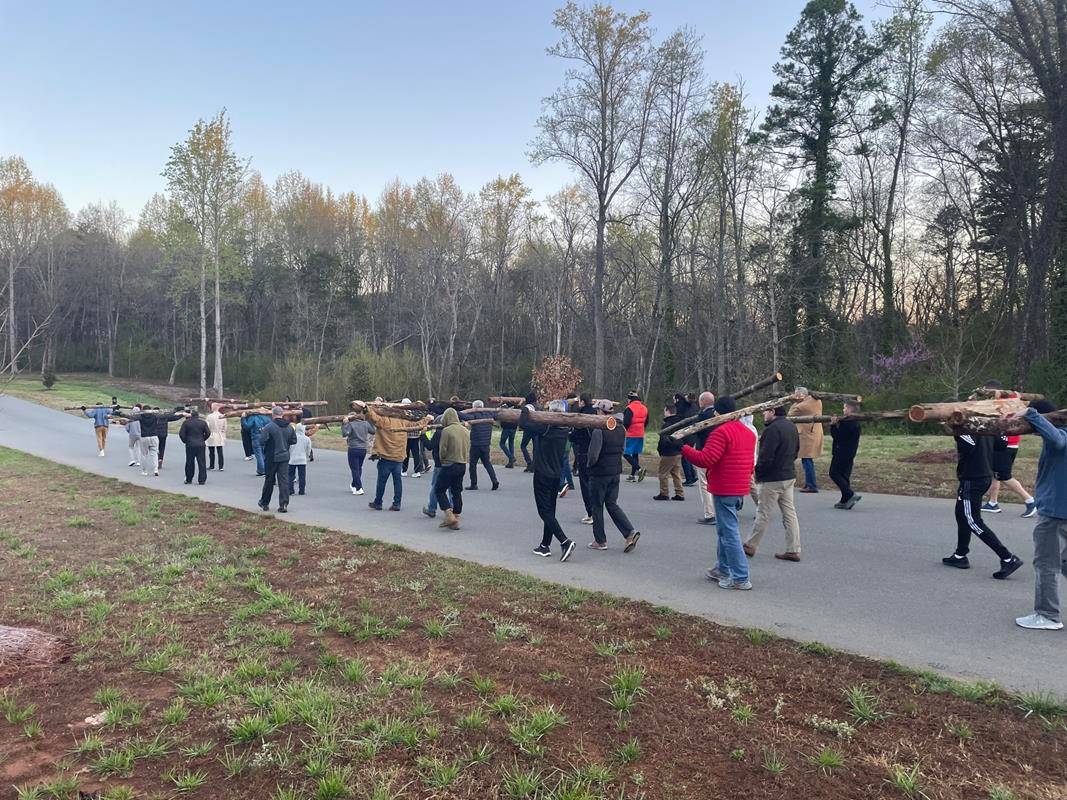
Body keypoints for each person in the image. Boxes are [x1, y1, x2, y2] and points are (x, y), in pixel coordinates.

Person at [682, 396, 756, 590]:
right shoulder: (748, 433)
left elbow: (705, 459)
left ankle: (740, 577)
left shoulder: (720, 432)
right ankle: (722, 569)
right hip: (739, 486)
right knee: (725, 529)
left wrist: (683, 448)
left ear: (717, 412)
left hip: (724, 487)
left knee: (729, 532)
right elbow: (750, 463)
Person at [1010, 399, 1067, 630]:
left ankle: (1047, 615)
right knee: (1064, 563)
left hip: (1055, 512)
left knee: (1046, 563)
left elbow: (1057, 440)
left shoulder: (1059, 435)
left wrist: (1031, 415)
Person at [942, 429, 1024, 579]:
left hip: (973, 478)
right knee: (961, 513)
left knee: (972, 520)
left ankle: (1007, 558)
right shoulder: (986, 426)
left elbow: (969, 445)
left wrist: (957, 430)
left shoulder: (966, 428)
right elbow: (1002, 443)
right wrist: (997, 430)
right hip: (983, 475)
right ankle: (960, 555)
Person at [743, 406, 801, 562]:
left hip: (772, 478)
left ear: (773, 412)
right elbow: (797, 450)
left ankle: (750, 545)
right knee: (789, 513)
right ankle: (794, 548)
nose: (763, 413)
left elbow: (765, 456)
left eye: (766, 411)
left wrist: (759, 473)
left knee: (763, 512)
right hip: (788, 475)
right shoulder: (791, 426)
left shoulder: (772, 430)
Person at [521, 401, 576, 562]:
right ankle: (545, 545)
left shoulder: (546, 428)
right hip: (556, 474)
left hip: (543, 474)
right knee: (550, 511)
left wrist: (527, 408)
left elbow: (523, 423)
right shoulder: (565, 429)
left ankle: (565, 541)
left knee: (544, 511)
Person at [586, 399, 640, 551]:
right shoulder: (621, 428)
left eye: (597, 411)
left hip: (600, 473)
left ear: (601, 412)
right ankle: (629, 532)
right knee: (612, 504)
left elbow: (593, 455)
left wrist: (589, 466)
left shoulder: (599, 430)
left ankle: (600, 540)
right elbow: (622, 449)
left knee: (597, 506)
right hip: (615, 471)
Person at [981, 383, 1037, 517]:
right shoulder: (1006, 401)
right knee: (996, 474)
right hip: (1006, 444)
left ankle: (1030, 501)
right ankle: (993, 503)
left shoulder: (1006, 401)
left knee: (1005, 476)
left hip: (1006, 445)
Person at [366, 403, 428, 511]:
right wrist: (427, 419)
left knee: (381, 481)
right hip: (399, 457)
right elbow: (417, 425)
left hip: (386, 457)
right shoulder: (404, 422)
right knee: (397, 481)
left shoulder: (384, 421)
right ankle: (397, 504)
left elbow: (372, 416)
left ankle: (378, 502)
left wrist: (367, 408)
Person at [684, 391, 717, 525]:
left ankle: (709, 513)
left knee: (704, 483)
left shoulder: (702, 416)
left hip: (704, 451)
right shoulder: (719, 414)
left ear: (703, 401)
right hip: (718, 452)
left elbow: (696, 432)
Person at [435, 407, 470, 529]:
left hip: (449, 464)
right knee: (456, 491)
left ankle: (449, 515)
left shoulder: (447, 430)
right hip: (462, 464)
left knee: (439, 489)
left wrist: (443, 460)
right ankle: (456, 517)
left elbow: (442, 449)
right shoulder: (465, 430)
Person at [258, 406, 297, 513]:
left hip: (272, 456)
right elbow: (294, 440)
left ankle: (265, 503)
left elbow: (262, 441)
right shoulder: (289, 427)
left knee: (269, 480)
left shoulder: (269, 427)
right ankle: (284, 504)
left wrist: (262, 433)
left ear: (273, 414)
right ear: (282, 414)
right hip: (284, 456)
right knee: (283, 481)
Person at [788, 388, 823, 492]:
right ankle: (809, 483)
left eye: (796, 395)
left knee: (806, 459)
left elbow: (790, 414)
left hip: (807, 435)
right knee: (807, 459)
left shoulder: (801, 406)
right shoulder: (817, 401)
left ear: (802, 395)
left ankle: (811, 485)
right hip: (815, 432)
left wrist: (795, 403)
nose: (795, 397)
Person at [829, 401, 862, 509]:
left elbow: (837, 436)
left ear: (849, 410)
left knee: (834, 473)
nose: (843, 410)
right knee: (844, 475)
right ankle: (845, 500)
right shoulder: (856, 422)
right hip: (851, 452)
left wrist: (833, 425)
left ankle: (850, 494)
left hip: (841, 452)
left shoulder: (848, 423)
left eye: (844, 408)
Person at [569, 394, 596, 524]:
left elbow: (576, 435)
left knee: (585, 484)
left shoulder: (582, 416)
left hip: (584, 451)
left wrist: (570, 435)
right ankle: (596, 510)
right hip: (595, 452)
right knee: (593, 483)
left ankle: (590, 513)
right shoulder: (595, 413)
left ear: (583, 402)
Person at [464, 400, 499, 491]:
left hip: (476, 444)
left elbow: (464, 416)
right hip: (486, 444)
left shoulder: (474, 415)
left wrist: (456, 412)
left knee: (473, 465)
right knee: (487, 463)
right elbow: (498, 414)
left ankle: (474, 484)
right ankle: (494, 480)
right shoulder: (490, 414)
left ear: (474, 407)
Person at [654, 402, 685, 501]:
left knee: (663, 474)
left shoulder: (667, 425)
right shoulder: (680, 423)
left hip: (668, 453)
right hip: (678, 451)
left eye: (665, 411)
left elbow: (663, 440)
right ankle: (679, 493)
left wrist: (660, 450)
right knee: (676, 473)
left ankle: (664, 493)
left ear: (668, 411)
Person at [341, 410, 374, 495]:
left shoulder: (351, 424)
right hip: (363, 449)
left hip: (353, 448)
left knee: (354, 469)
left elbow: (345, 434)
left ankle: (359, 488)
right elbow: (373, 431)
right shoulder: (365, 423)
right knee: (359, 468)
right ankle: (354, 484)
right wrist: (369, 421)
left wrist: (344, 424)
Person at [178, 409, 210, 486]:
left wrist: (185, 441)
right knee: (202, 462)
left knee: (189, 462)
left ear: (191, 415)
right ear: (198, 415)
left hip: (190, 444)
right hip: (200, 444)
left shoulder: (186, 423)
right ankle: (202, 480)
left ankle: (189, 479)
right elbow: (208, 433)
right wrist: (203, 439)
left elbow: (181, 434)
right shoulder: (203, 423)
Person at [622, 391, 648, 482]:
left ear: (630, 399)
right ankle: (632, 475)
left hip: (631, 434)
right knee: (635, 454)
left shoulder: (629, 408)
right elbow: (646, 421)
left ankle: (639, 469)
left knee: (625, 453)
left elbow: (626, 422)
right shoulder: (644, 408)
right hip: (640, 434)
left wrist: (624, 430)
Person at [675, 393, 699, 486]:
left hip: (686, 434)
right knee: (688, 456)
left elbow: (679, 419)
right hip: (693, 434)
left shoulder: (682, 406)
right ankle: (693, 475)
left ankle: (689, 478)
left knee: (685, 457)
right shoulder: (694, 406)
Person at [156, 406, 188, 470]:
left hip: (156, 435)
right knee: (162, 447)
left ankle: (156, 460)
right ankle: (160, 459)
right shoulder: (166, 417)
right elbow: (174, 417)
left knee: (156, 448)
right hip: (163, 434)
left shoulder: (154, 417)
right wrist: (182, 415)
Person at [400, 398, 425, 478]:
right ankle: (417, 471)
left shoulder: (404, 413)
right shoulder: (416, 413)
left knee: (406, 454)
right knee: (416, 454)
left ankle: (404, 470)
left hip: (407, 436)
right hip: (416, 435)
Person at [288, 423, 313, 496]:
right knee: (302, 475)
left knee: (290, 475)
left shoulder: (292, 437)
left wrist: (289, 455)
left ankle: (290, 490)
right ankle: (301, 490)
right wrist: (307, 455)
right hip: (302, 459)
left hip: (292, 459)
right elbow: (309, 449)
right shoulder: (307, 439)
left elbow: (288, 447)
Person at [243, 410, 271, 476]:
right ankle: (262, 469)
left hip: (256, 436)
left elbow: (247, 426)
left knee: (259, 454)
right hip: (265, 436)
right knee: (264, 453)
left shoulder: (253, 417)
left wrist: (243, 418)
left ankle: (262, 470)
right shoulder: (267, 417)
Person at [135, 407, 161, 477]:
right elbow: (166, 415)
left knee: (144, 455)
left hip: (144, 436)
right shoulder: (155, 416)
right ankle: (156, 469)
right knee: (154, 454)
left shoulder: (141, 416)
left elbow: (131, 417)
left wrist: (121, 414)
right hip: (154, 436)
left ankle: (144, 471)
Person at [520, 390, 538, 472]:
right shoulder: (539, 407)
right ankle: (534, 465)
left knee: (523, 446)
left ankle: (529, 463)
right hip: (537, 429)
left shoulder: (526, 408)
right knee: (536, 448)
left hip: (528, 430)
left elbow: (522, 422)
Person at [206, 403, 227, 472]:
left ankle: (212, 465)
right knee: (220, 451)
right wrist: (223, 433)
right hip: (220, 434)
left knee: (211, 451)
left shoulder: (209, 416)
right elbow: (225, 427)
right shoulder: (222, 416)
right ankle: (221, 466)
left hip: (212, 434)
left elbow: (207, 427)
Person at [499, 402, 518, 469]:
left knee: (502, 444)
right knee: (511, 444)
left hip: (506, 427)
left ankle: (511, 458)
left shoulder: (504, 407)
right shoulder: (515, 407)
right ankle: (511, 463)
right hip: (514, 427)